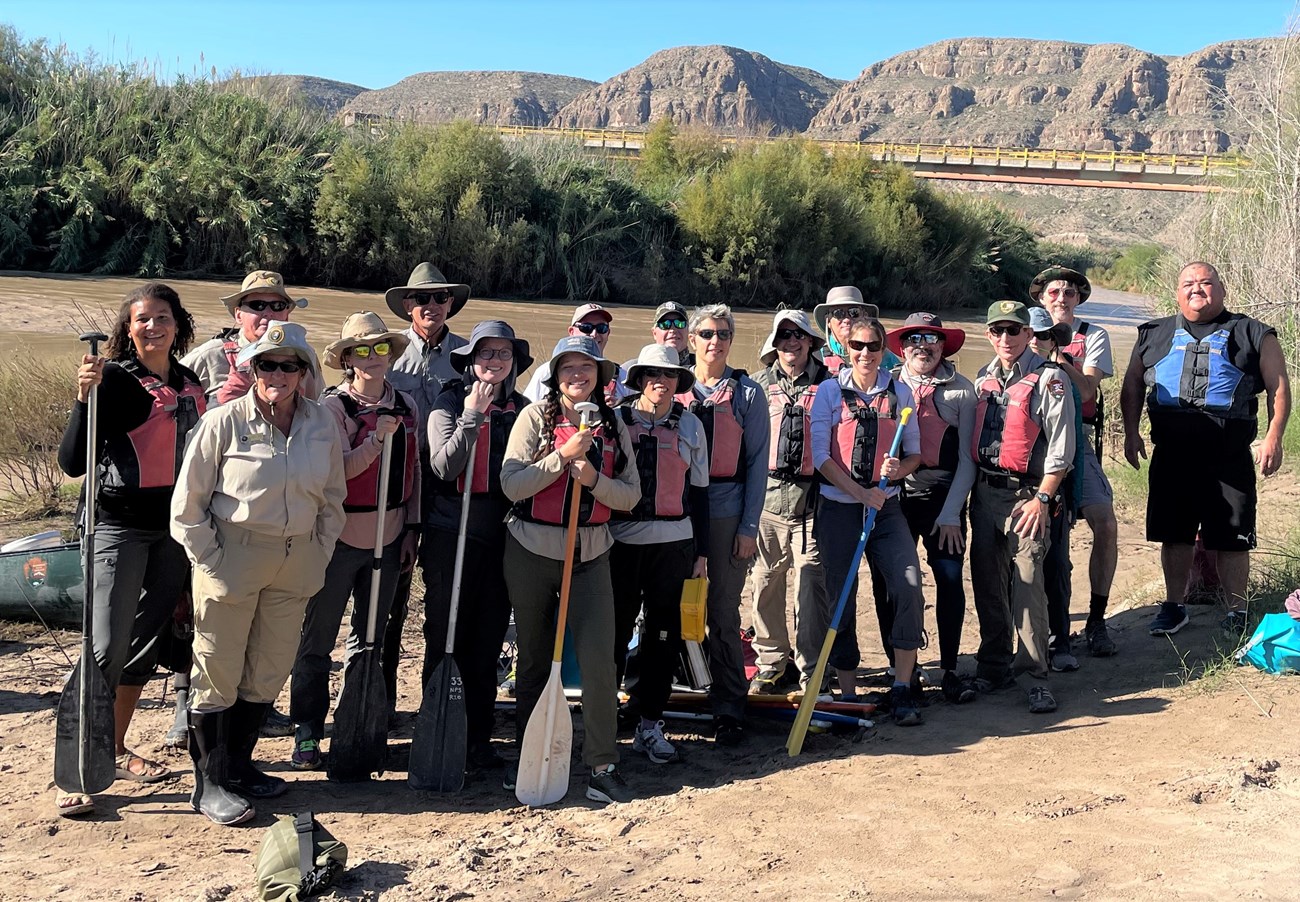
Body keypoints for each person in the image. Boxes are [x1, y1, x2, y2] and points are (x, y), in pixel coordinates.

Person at [171, 322, 346, 825]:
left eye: (290, 365)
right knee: (217, 669)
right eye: (267, 363)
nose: (278, 373)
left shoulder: (321, 423)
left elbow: (333, 497)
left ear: (304, 372)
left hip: (297, 560)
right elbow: (188, 507)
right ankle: (209, 784)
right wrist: (212, 560)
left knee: (268, 668)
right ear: (251, 368)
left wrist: (320, 550)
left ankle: (241, 768)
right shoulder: (223, 422)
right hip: (232, 556)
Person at [54, 282, 203, 817]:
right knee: (106, 646)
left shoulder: (190, 383)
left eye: (162, 317)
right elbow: (72, 462)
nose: (153, 326)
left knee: (142, 645)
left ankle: (114, 749)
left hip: (174, 531)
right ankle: (76, 769)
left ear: (177, 324)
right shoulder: (112, 379)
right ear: (128, 327)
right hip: (117, 527)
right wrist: (81, 399)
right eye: (142, 319)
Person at [500, 335, 641, 804]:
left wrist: (593, 479)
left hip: (590, 557)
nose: (577, 375)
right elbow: (512, 484)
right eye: (568, 368)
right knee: (536, 661)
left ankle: (602, 764)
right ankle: (529, 753)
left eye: (587, 368)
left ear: (600, 376)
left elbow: (630, 496)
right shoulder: (533, 418)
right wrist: (561, 458)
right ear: (556, 375)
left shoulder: (615, 425)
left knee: (601, 662)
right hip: (532, 552)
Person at [1121, 262, 1290, 639]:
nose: (1197, 289)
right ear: (1177, 292)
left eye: (1206, 282)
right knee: (1174, 534)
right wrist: (1131, 434)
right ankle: (1173, 606)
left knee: (1233, 536)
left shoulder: (1253, 333)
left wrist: (1274, 435)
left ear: (1222, 289)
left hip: (1228, 456)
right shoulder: (1154, 333)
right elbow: (1132, 385)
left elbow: (1279, 387)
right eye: (1188, 283)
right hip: (1172, 454)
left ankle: (1236, 610)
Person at [287, 313, 421, 771]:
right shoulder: (331, 409)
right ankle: (306, 730)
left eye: (380, 348)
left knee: (370, 639)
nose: (372, 358)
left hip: (390, 536)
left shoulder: (407, 406)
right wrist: (376, 443)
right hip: (339, 540)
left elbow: (414, 473)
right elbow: (337, 471)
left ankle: (363, 721)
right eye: (361, 350)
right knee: (317, 639)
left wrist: (412, 530)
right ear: (345, 359)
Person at [421, 320, 533, 772]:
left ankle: (479, 739)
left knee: (487, 641)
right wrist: (473, 414)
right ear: (470, 360)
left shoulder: (525, 409)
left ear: (513, 364)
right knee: (447, 635)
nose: (494, 362)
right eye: (486, 354)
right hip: (454, 532)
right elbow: (444, 467)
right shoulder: (448, 401)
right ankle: (438, 732)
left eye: (502, 355)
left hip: (502, 534)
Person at [810, 318, 926, 725]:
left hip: (887, 508)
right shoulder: (828, 392)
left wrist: (897, 472)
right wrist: (861, 494)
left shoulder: (900, 391)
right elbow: (821, 457)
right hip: (840, 508)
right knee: (841, 594)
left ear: (882, 348)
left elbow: (915, 456)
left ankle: (902, 686)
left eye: (873, 345)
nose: (865, 352)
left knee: (909, 582)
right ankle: (846, 691)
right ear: (846, 346)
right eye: (857, 345)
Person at [969, 301, 1076, 714]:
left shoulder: (1051, 380)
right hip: (985, 495)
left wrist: (1043, 499)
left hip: (1028, 496)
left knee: (1028, 583)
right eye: (997, 330)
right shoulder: (983, 377)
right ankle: (993, 664)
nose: (1006, 339)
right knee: (987, 581)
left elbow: (1062, 451)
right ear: (989, 335)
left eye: (1014, 331)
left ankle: (1035, 676)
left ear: (1029, 334)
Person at [609, 343, 710, 764]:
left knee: (663, 637)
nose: (660, 381)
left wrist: (701, 554)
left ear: (678, 383)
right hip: (621, 543)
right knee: (611, 635)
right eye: (651, 374)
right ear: (637, 380)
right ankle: (604, 724)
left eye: (668, 375)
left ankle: (650, 723)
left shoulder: (690, 427)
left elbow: (701, 495)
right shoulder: (614, 422)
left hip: (674, 544)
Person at [677, 304, 769, 744]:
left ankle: (729, 704)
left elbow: (756, 466)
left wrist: (749, 527)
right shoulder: (669, 384)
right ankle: (655, 696)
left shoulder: (749, 395)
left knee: (723, 612)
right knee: (666, 607)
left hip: (728, 509)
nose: (716, 342)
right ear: (691, 339)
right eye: (707, 334)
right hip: (675, 513)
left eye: (724, 334)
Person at [383, 262, 471, 721]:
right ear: (407, 307)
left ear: (450, 303)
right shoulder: (388, 356)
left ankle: (436, 705)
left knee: (442, 605)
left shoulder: (468, 355)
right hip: (394, 489)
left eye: (440, 298)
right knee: (387, 608)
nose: (431, 306)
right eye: (422, 299)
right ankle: (381, 705)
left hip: (448, 491)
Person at [879, 312, 979, 704]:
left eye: (931, 338)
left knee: (949, 579)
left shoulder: (962, 392)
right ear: (902, 346)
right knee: (891, 583)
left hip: (943, 497)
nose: (923, 345)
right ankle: (902, 669)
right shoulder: (886, 386)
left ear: (943, 345)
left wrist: (952, 512)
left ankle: (951, 669)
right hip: (895, 497)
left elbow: (968, 461)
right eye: (914, 337)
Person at [1030, 267, 1119, 659]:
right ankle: (1048, 626)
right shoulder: (1021, 330)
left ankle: (1096, 620)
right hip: (1034, 437)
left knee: (1105, 521)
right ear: (1041, 298)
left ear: (1079, 299)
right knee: (1050, 539)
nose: (1061, 298)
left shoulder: (1092, 335)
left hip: (1077, 436)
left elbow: (1086, 389)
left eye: (1069, 292)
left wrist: (1056, 356)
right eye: (1054, 291)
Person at [747, 309, 830, 694]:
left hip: (815, 502)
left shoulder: (832, 384)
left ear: (811, 341)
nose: (790, 342)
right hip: (766, 500)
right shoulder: (757, 385)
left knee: (811, 586)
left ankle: (812, 666)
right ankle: (771, 661)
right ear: (774, 343)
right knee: (764, 583)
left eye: (798, 335)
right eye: (783, 336)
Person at [1028, 308, 1088, 674]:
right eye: (1029, 333)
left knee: (1055, 564)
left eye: (1042, 335)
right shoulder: (991, 376)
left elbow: (1067, 448)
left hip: (1051, 487)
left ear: (1053, 342)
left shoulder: (1057, 379)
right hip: (1009, 486)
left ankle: (1061, 639)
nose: (1034, 341)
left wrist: (1057, 494)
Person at [180, 269, 320, 406]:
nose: (268, 313)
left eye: (277, 306)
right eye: (257, 305)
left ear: (287, 315)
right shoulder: (211, 354)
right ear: (238, 315)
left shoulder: (304, 355)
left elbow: (317, 405)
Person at [524, 303, 633, 405]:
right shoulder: (546, 372)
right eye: (586, 327)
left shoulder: (622, 377)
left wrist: (618, 410)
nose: (594, 334)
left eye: (601, 328)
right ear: (571, 332)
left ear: (608, 333)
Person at [813, 286, 901, 376]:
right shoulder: (815, 357)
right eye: (838, 313)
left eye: (854, 312)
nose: (847, 319)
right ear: (828, 321)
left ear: (865, 317)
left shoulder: (883, 355)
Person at [622, 301, 692, 369]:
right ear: (654, 333)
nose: (673, 330)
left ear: (688, 331)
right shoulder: (630, 370)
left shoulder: (700, 370)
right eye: (665, 324)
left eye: (679, 323)